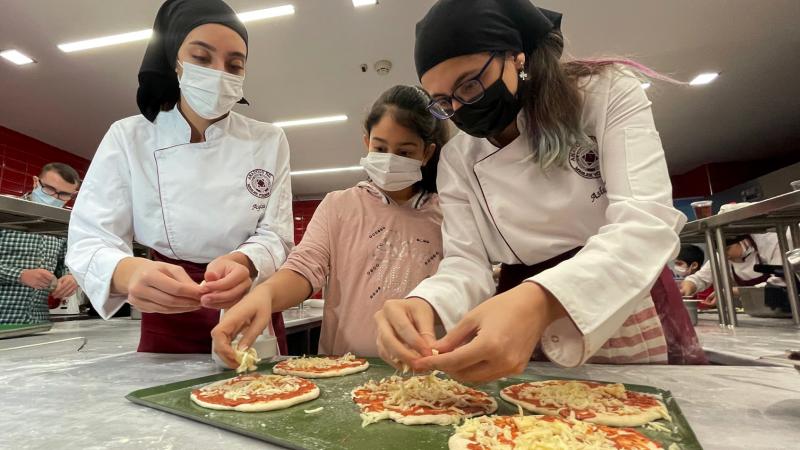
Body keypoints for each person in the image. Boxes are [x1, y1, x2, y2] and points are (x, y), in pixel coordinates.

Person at [375, 0, 706, 383]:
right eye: (445, 101)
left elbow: (646, 221)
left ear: (515, 57)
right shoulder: (457, 158)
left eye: (469, 83)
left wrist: (541, 299)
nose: (462, 107)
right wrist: (426, 302)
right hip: (515, 309)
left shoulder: (604, 93)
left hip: (617, 290)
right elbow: (466, 261)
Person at [66, 0, 292, 354]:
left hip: (247, 301)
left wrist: (246, 262)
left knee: (262, 397)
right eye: (202, 59)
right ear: (175, 61)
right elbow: (89, 237)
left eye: (234, 65)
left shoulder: (268, 140)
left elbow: (276, 234)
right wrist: (129, 273)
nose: (220, 73)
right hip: (167, 306)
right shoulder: (129, 137)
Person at [211, 85, 449, 366]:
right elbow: (304, 267)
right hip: (344, 368)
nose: (389, 159)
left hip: (427, 369)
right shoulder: (339, 206)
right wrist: (266, 293)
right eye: (380, 148)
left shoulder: (447, 213)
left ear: (427, 153)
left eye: (405, 152)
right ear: (366, 143)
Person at [0, 163, 80, 323]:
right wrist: (20, 275)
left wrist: (71, 277)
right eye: (49, 189)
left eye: (64, 194)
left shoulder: (61, 224)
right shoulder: (5, 210)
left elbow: (66, 263)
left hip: (38, 322)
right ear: (36, 182)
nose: (54, 198)